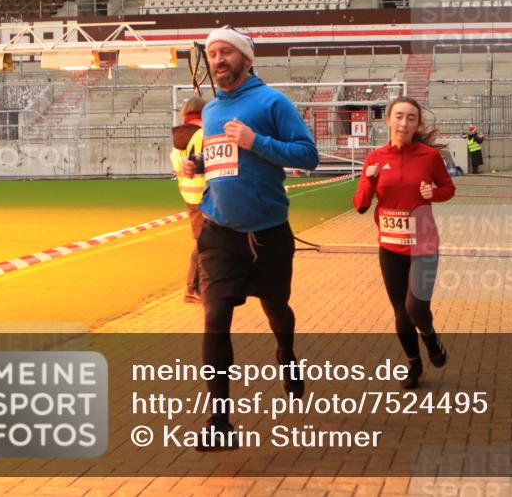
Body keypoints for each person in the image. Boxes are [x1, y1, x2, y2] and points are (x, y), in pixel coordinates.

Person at [180, 25, 319, 451]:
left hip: (267, 234)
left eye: (226, 52)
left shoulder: (272, 101)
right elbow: (226, 158)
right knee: (215, 318)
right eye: (212, 54)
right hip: (219, 233)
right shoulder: (210, 111)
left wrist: (256, 141)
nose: (218, 60)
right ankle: (219, 421)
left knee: (277, 308)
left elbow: (308, 155)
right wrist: (200, 164)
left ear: (246, 58)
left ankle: (286, 355)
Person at [353, 97, 456, 389]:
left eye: (411, 118)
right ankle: (414, 364)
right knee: (401, 313)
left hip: (423, 246)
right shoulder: (374, 158)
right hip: (390, 248)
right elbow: (360, 205)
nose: (404, 122)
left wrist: (433, 193)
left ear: (417, 124)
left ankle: (431, 338)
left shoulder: (429, 156)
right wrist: (370, 181)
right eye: (398, 116)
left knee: (416, 309)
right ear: (388, 120)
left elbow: (448, 188)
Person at [169, 96, 208, 304]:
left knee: (204, 242)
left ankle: (199, 287)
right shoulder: (203, 134)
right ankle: (191, 289)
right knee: (203, 243)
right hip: (206, 195)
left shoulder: (179, 139)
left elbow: (178, 166)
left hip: (190, 195)